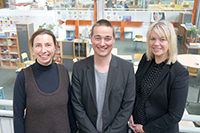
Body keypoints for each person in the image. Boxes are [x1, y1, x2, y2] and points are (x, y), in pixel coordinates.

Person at [71, 19, 136, 133]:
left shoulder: (127, 69)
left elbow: (127, 106)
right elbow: (77, 104)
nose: (102, 43)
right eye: (97, 38)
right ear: (91, 39)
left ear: (114, 40)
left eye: (107, 38)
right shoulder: (79, 68)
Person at [129, 20, 189, 133]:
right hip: (135, 127)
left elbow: (174, 115)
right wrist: (130, 113)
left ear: (170, 42)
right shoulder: (146, 60)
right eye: (152, 39)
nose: (156, 43)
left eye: (162, 39)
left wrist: (145, 130)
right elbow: (135, 90)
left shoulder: (179, 73)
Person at [13, 29, 77, 133]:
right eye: (38, 45)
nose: (43, 50)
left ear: (55, 47)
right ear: (33, 48)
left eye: (48, 45)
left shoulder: (63, 71)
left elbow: (69, 106)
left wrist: (74, 130)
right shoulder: (24, 76)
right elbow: (18, 115)